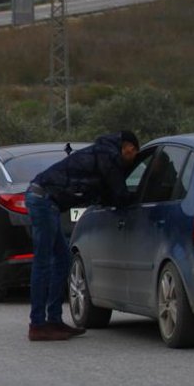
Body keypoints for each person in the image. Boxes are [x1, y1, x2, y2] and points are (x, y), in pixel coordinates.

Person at [25, 131, 139, 341]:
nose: (131, 159)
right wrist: (136, 198)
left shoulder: (103, 153)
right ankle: (38, 324)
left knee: (62, 260)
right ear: (127, 147)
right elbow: (119, 193)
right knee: (44, 263)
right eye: (133, 154)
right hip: (43, 200)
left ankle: (54, 321)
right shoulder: (108, 156)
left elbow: (105, 190)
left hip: (45, 200)